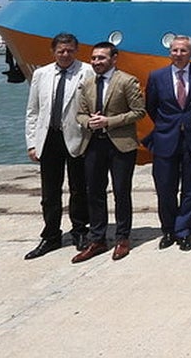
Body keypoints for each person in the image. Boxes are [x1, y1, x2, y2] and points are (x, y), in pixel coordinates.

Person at [72, 41, 145, 262]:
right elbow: (80, 113)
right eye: (94, 58)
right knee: (94, 193)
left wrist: (108, 121)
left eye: (101, 58)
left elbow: (139, 112)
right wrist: (88, 122)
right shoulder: (87, 83)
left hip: (120, 145)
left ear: (114, 59)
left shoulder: (127, 81)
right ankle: (98, 239)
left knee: (121, 193)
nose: (96, 62)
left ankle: (122, 238)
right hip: (94, 144)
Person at [23, 32, 93, 259]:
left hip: (77, 137)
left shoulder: (87, 72)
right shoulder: (41, 74)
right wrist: (32, 143)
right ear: (53, 51)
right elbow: (33, 111)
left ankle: (80, 230)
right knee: (50, 192)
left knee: (79, 189)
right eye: (61, 51)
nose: (65, 55)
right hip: (49, 138)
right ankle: (51, 235)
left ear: (76, 51)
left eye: (70, 51)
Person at [144, 35, 191, 250]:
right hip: (165, 138)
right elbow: (151, 107)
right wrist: (168, 126)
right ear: (169, 52)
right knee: (165, 187)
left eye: (183, 51)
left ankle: (183, 231)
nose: (178, 54)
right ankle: (168, 230)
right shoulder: (157, 76)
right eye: (175, 51)